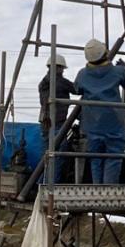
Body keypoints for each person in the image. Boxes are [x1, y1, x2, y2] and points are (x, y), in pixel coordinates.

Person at [74, 39, 125, 184]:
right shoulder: (118, 71)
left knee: (95, 159)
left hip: (92, 124)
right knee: (113, 158)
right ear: (105, 52)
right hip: (114, 123)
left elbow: (77, 89)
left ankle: (97, 189)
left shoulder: (82, 74)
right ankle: (108, 190)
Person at [38, 53, 77, 182]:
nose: (62, 71)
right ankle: (51, 186)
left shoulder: (43, 82)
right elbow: (77, 89)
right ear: (58, 67)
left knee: (47, 157)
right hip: (56, 123)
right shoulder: (59, 82)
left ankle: (41, 184)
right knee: (58, 156)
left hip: (45, 123)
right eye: (62, 68)